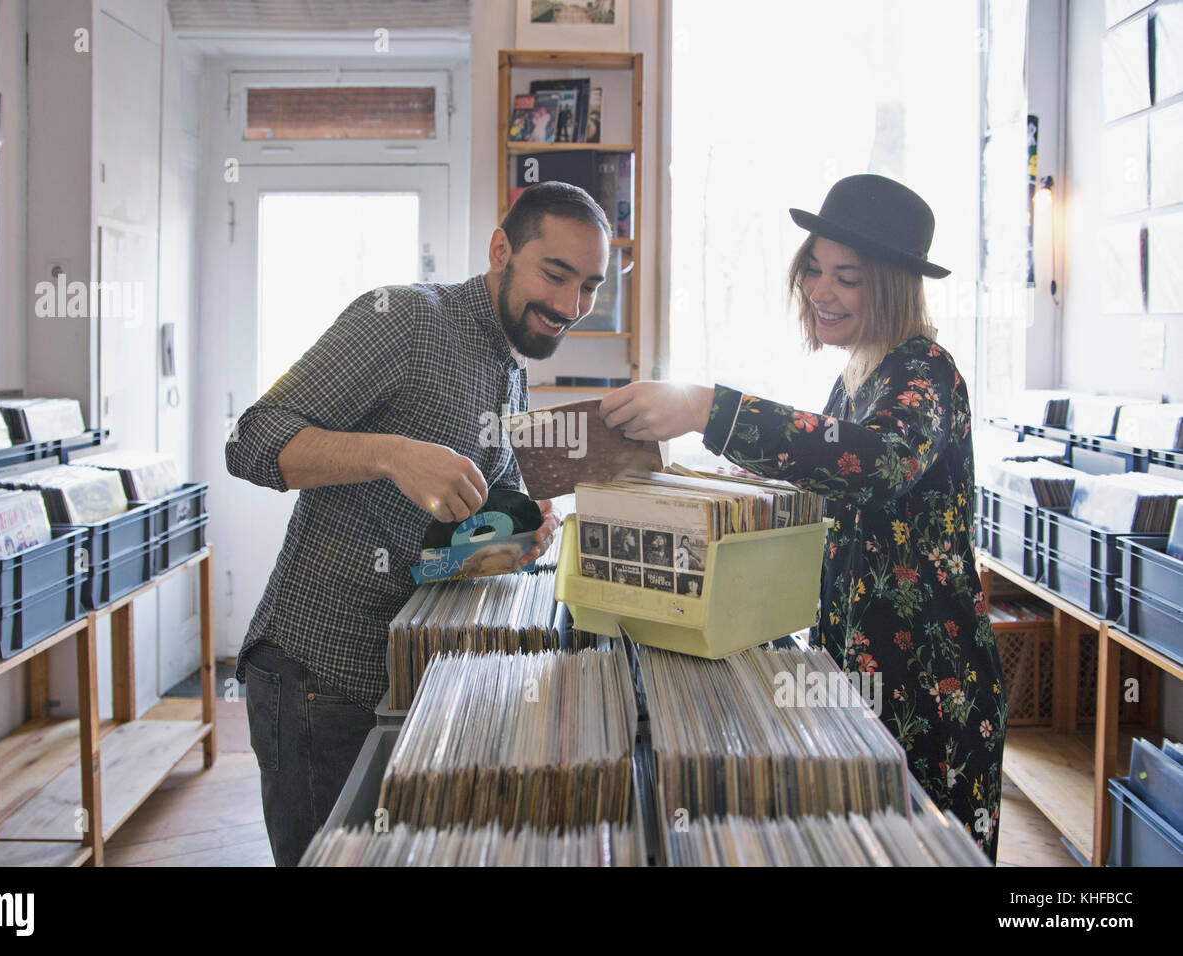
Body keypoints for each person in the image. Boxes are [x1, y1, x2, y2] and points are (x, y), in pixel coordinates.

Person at [600, 174, 1007, 861]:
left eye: (846, 277)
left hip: (931, 689)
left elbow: (880, 464)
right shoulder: (857, 376)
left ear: (893, 285)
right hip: (850, 666)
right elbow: (834, 477)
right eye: (814, 270)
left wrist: (709, 409)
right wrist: (741, 476)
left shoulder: (927, 372)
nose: (821, 291)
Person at [225, 181, 611, 865]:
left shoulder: (510, 366)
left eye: (590, 286)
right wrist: (389, 455)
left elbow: (436, 547)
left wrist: (517, 534)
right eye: (556, 274)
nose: (570, 306)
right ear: (501, 250)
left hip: (401, 680)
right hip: (318, 679)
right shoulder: (402, 318)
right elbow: (252, 440)